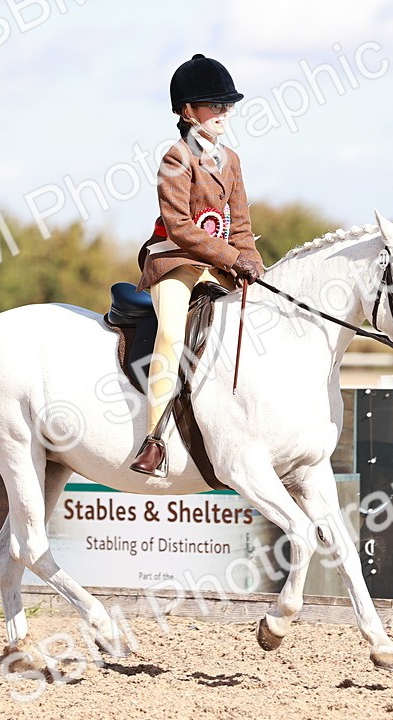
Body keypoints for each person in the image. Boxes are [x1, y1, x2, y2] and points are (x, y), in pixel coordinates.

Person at [129, 54, 266, 477]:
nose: (224, 112)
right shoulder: (175, 159)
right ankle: (153, 440)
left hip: (219, 265)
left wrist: (254, 265)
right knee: (172, 333)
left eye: (227, 105)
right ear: (188, 111)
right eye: (215, 105)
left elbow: (240, 225)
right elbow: (181, 227)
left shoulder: (233, 161)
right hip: (175, 260)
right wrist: (232, 258)